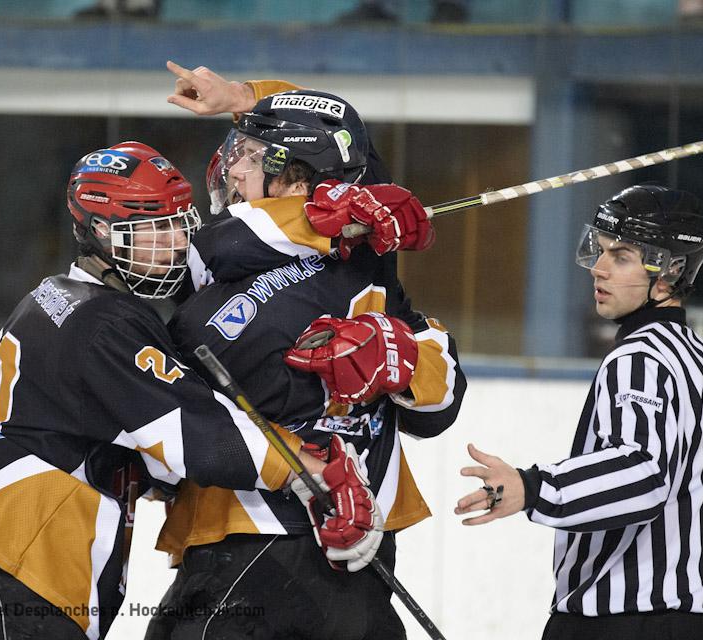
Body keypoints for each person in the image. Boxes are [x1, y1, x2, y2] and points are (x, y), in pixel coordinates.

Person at [0, 142, 324, 640]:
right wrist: (302, 467)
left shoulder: (60, 298)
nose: (176, 242)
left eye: (180, 222)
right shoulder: (103, 322)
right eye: (155, 229)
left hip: (6, 556)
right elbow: (187, 429)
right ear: (103, 233)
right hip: (23, 561)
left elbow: (119, 441)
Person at [145, 76, 465, 639]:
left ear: (296, 174)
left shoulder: (364, 263)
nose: (232, 170)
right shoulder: (220, 276)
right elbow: (217, 256)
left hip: (343, 555)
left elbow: (436, 410)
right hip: (248, 537)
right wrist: (258, 108)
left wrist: (406, 359)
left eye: (248, 154)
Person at [454, 185, 703, 639]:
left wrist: (532, 487)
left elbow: (643, 474)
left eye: (622, 257)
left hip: (631, 623)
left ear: (668, 273)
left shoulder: (640, 358)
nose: (599, 269)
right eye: (601, 251)